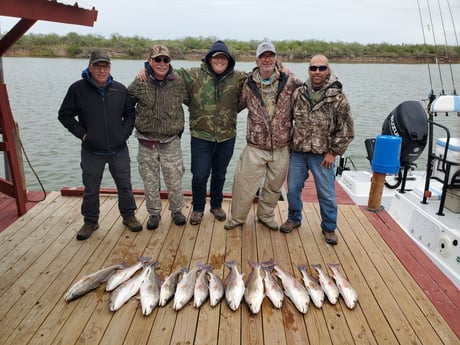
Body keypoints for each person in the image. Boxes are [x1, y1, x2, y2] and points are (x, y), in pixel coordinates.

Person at [58, 49, 142, 240]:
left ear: (110, 68)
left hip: (119, 149)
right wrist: (82, 134)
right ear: (90, 67)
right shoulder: (77, 89)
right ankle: (90, 221)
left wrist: (123, 134)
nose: (102, 70)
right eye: (98, 66)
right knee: (91, 188)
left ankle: (129, 216)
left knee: (125, 186)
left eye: (105, 66)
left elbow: (130, 114)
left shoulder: (120, 90)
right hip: (92, 150)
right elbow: (64, 115)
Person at [224, 41, 302, 231]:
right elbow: (233, 106)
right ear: (256, 60)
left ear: (275, 58)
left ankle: (265, 216)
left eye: (270, 55)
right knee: (244, 184)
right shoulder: (247, 83)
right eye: (263, 56)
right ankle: (237, 218)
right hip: (255, 146)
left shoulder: (290, 81)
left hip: (282, 146)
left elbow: (312, 91)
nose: (267, 59)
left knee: (274, 187)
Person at [279, 54, 354, 245]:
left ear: (328, 70)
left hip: (323, 155)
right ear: (309, 70)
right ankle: (294, 218)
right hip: (298, 152)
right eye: (313, 68)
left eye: (321, 68)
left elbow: (347, 130)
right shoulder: (299, 93)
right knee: (293, 189)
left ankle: (329, 228)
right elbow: (287, 120)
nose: (317, 72)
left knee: (326, 194)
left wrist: (333, 152)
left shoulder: (338, 97)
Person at [128, 45, 189, 230]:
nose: (162, 63)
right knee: (150, 180)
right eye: (157, 60)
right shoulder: (139, 81)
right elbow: (125, 104)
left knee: (175, 178)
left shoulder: (178, 81)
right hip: (146, 142)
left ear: (169, 62)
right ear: (150, 61)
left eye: (165, 60)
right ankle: (154, 213)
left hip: (171, 140)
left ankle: (177, 210)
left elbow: (192, 100)